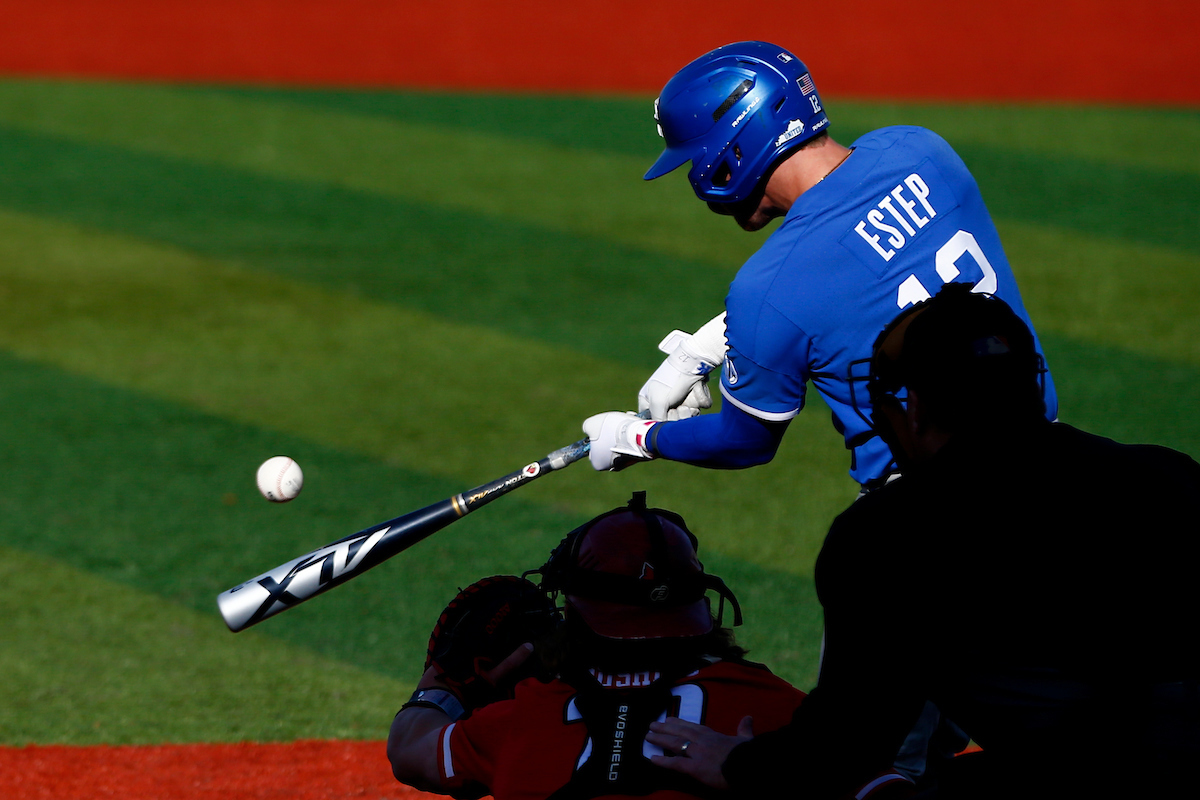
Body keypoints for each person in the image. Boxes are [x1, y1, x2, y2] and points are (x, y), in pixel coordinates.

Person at [644, 284, 1200, 798]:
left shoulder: (888, 535)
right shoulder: (1170, 475)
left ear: (913, 407)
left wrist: (739, 765)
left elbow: (845, 744)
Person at [582, 41, 1058, 490]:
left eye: (699, 162)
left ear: (735, 151)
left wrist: (636, 437)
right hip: (1053, 461)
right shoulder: (921, 149)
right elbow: (857, 268)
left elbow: (744, 441)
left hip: (933, 504)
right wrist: (703, 349)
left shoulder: (769, 289)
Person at [387, 493, 910, 800]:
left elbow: (410, 751)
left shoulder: (523, 720)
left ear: (576, 616)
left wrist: (445, 686)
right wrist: (761, 775)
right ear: (699, 605)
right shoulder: (773, 712)